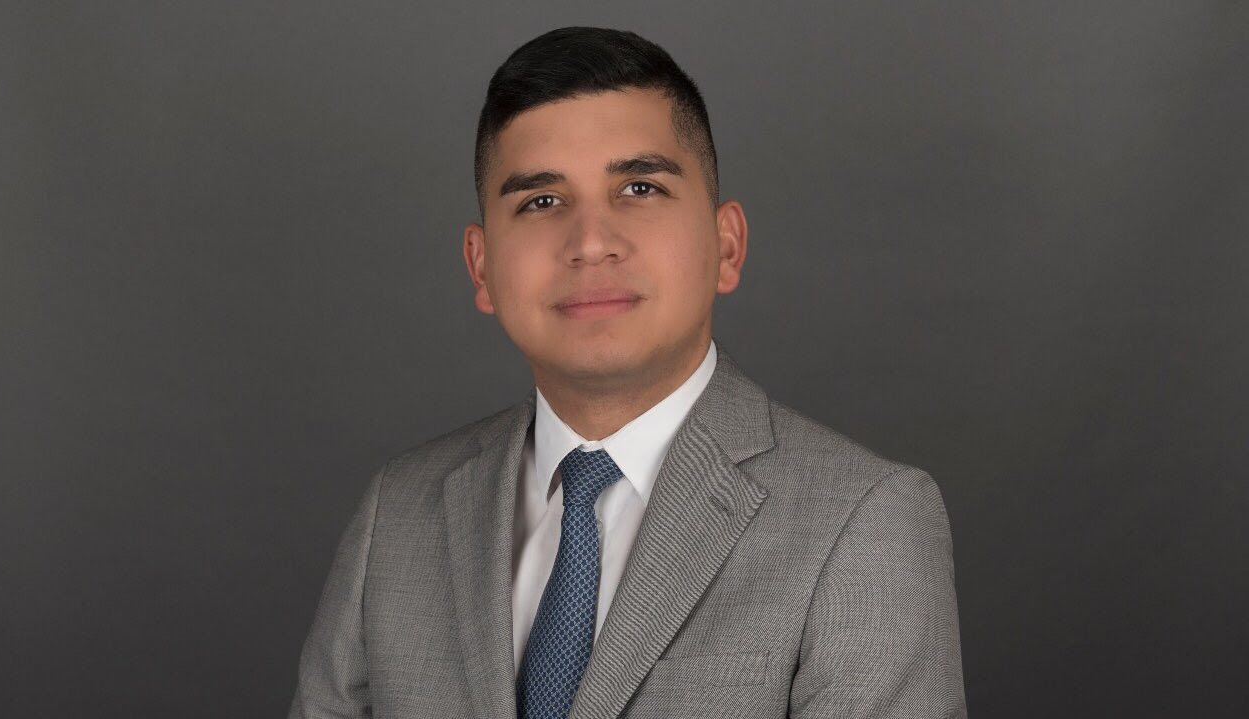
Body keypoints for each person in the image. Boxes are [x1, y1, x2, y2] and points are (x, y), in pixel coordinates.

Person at [289, 26, 966, 719]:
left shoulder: (862, 521)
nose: (590, 243)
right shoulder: (398, 513)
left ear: (726, 246)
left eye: (639, 187)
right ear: (482, 266)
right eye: (540, 201)